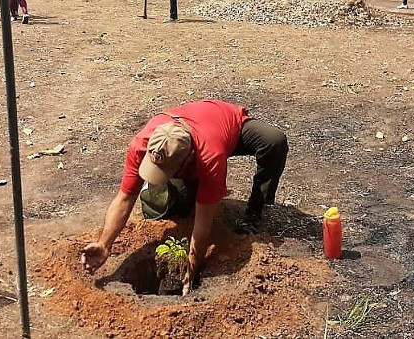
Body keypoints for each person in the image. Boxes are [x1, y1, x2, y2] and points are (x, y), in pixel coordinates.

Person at [80, 100, 288, 293]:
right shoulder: (142, 145)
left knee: (274, 141)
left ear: (188, 159)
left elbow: (204, 222)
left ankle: (255, 211)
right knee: (171, 207)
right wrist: (104, 244)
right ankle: (181, 190)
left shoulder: (210, 157)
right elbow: (124, 198)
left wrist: (192, 265)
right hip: (194, 135)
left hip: (227, 125)